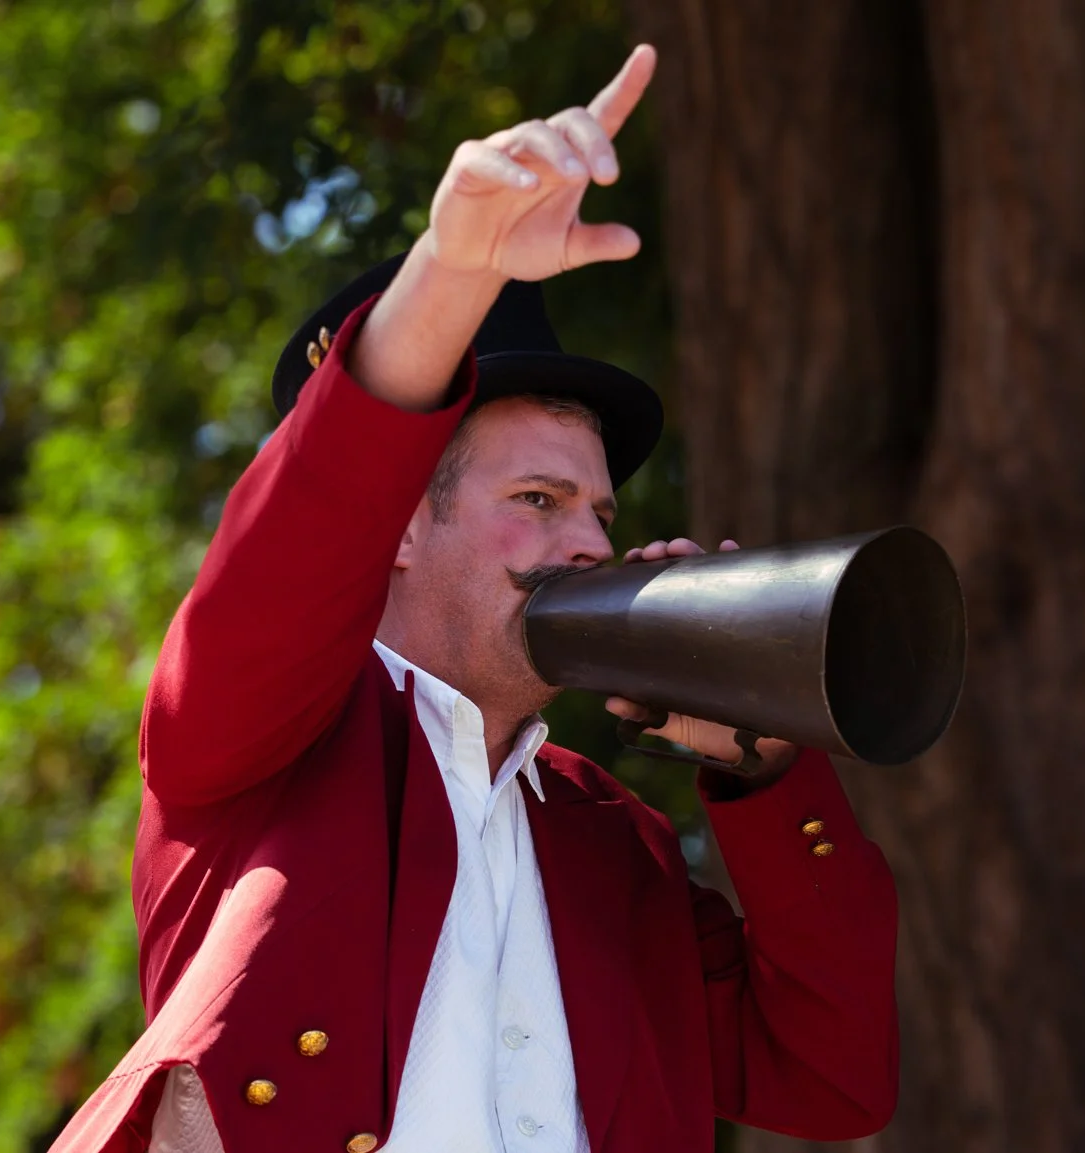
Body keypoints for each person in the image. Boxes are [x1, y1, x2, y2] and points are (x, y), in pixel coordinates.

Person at [49, 44, 898, 1153]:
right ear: (394, 520)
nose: (591, 543)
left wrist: (765, 769)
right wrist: (453, 271)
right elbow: (300, 533)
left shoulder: (612, 837)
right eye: (538, 498)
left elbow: (832, 1080)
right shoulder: (259, 740)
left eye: (597, 510)